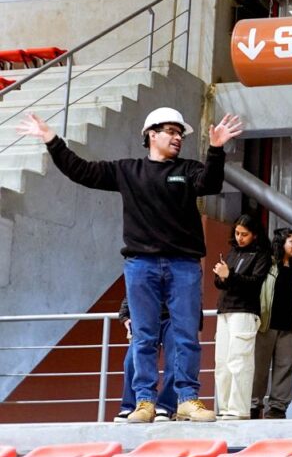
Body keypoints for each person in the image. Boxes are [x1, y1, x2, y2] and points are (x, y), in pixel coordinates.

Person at [17, 107, 243, 423]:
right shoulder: (127, 170)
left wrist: (216, 148)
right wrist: (51, 139)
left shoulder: (188, 170)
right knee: (144, 336)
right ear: (151, 134)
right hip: (141, 265)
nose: (177, 137)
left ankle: (188, 399)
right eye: (171, 131)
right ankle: (144, 402)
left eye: (180, 133)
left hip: (184, 265)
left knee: (186, 334)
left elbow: (209, 183)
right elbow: (81, 171)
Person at [211, 215, 270, 420]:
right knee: (222, 362)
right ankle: (225, 407)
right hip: (225, 310)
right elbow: (220, 283)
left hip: (245, 311)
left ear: (254, 235)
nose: (239, 238)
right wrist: (222, 275)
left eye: (244, 234)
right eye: (237, 233)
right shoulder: (233, 252)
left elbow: (254, 283)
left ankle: (239, 409)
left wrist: (229, 275)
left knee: (239, 360)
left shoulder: (262, 255)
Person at [253, 228, 292, 418]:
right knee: (258, 367)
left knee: (285, 368)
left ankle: (277, 407)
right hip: (265, 325)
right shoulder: (267, 266)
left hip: (291, 328)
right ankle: (254, 404)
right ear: (281, 243)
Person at [114, 297, 177, 422]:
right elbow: (136, 283)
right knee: (131, 361)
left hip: (173, 315)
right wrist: (125, 315)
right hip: (144, 315)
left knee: (174, 360)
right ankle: (131, 406)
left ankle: (166, 406)